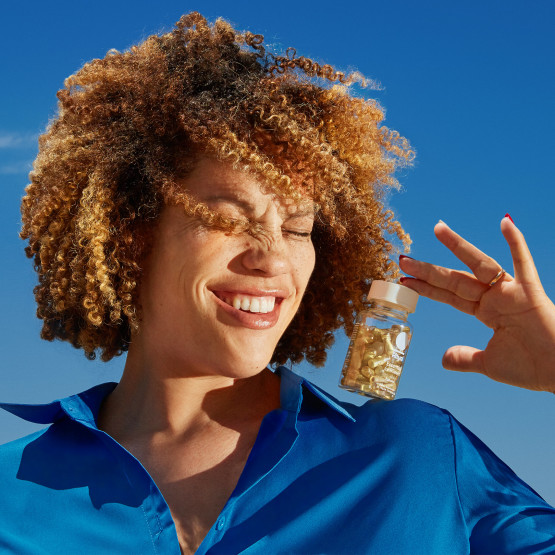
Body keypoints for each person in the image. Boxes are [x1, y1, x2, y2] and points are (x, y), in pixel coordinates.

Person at [1, 11, 554, 555]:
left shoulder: (418, 457)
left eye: (297, 228)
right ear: (132, 233)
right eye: (228, 218)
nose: (272, 259)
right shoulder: (11, 498)